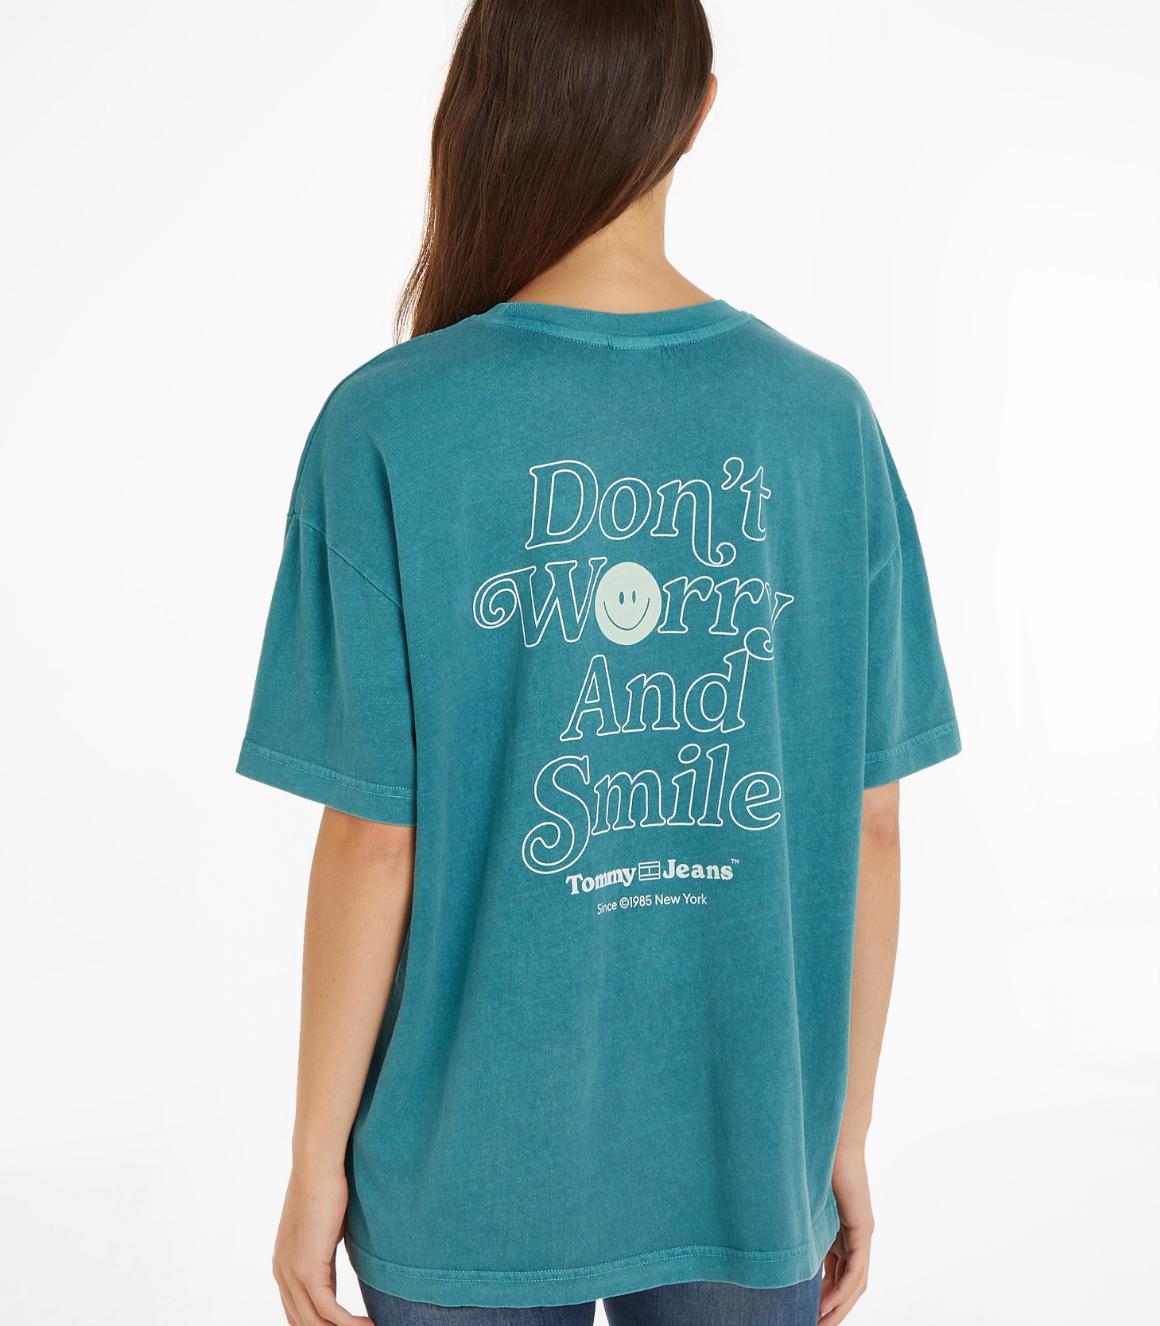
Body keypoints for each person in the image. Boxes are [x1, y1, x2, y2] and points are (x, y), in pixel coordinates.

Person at [237, 2, 961, 1323]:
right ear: (700, 108)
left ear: (483, 108)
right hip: (750, 1161)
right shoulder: (825, 421)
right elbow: (874, 823)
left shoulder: (386, 423)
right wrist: (840, 1134)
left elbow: (374, 841)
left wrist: (312, 1162)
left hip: (462, 1181)